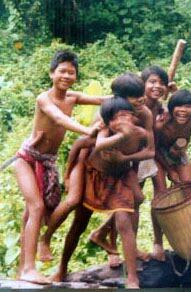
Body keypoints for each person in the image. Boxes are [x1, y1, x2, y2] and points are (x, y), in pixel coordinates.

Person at [39, 73, 154, 267]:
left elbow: (146, 148)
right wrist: (70, 175)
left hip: (118, 169)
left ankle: (114, 243)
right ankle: (46, 240)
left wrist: (128, 165)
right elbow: (82, 146)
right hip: (88, 165)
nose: (142, 99)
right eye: (135, 97)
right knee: (76, 207)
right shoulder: (106, 116)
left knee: (131, 204)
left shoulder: (143, 114)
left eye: (142, 94)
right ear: (120, 100)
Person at [13, 50, 107, 284]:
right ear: (51, 73)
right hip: (27, 159)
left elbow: (103, 100)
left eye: (71, 72)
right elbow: (59, 119)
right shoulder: (43, 99)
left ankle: (21, 269)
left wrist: (136, 95)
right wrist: (88, 131)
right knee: (35, 208)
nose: (66, 75)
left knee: (30, 215)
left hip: (48, 163)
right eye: (62, 71)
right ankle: (29, 268)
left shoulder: (73, 97)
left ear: (76, 76)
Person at [52, 97, 149, 288]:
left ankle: (132, 277)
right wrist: (68, 174)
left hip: (119, 178)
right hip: (94, 177)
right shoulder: (101, 133)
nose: (125, 121)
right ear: (109, 121)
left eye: (129, 116)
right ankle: (62, 268)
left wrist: (133, 179)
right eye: (120, 117)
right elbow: (78, 145)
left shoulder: (140, 134)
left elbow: (140, 155)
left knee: (124, 222)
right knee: (79, 223)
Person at [151, 89, 191, 260]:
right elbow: (153, 149)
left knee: (189, 190)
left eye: (187, 106)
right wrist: (170, 170)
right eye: (178, 106)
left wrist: (179, 151)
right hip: (157, 155)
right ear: (171, 108)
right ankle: (158, 242)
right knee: (161, 195)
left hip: (175, 153)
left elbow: (185, 141)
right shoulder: (161, 123)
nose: (183, 110)